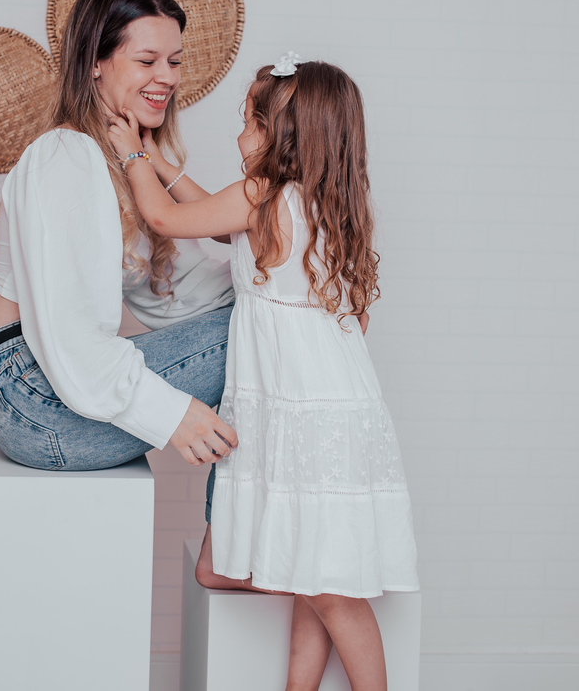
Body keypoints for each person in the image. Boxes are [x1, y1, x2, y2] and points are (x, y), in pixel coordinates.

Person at [107, 54, 419, 691]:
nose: (240, 133)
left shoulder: (260, 198)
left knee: (330, 592)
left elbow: (168, 220)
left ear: (286, 137)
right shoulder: (325, 207)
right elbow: (215, 216)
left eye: (251, 121)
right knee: (315, 575)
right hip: (333, 405)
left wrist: (134, 156)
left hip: (300, 409)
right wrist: (163, 164)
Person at [0, 0, 239, 472]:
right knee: (261, 330)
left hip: (52, 390)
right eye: (147, 61)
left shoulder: (124, 160)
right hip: (32, 399)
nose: (167, 77)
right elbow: (70, 335)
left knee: (266, 317)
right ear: (95, 61)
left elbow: (183, 291)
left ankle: (236, 519)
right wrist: (171, 415)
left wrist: (289, 287)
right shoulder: (64, 156)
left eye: (175, 61)